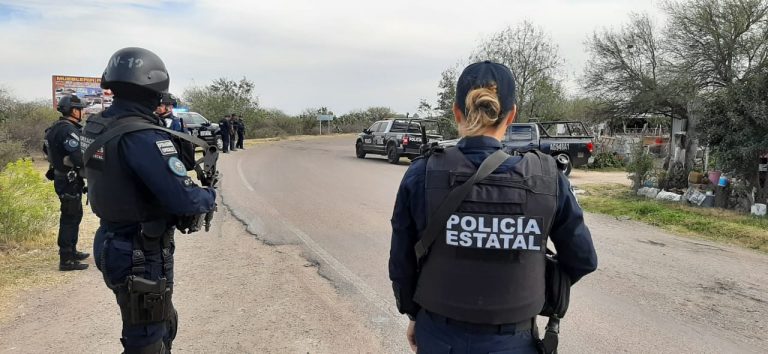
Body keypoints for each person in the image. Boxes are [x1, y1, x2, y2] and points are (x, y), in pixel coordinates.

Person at [388, 61, 598, 353]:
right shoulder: (548, 177)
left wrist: (414, 315)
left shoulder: (421, 174)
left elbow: (401, 264)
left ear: (456, 111)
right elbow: (583, 259)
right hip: (515, 341)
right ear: (511, 115)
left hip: (438, 336)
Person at [81, 47, 217, 353]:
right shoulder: (144, 137)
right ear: (156, 86)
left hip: (111, 239)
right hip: (139, 252)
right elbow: (185, 199)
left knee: (158, 323)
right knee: (148, 340)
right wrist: (209, 195)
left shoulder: (96, 125)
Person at [43, 94, 89, 271]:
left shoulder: (54, 128)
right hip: (68, 180)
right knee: (70, 217)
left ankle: (72, 250)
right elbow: (78, 157)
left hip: (62, 177)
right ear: (74, 110)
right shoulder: (67, 130)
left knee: (74, 215)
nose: (83, 112)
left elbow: (45, 150)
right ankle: (66, 258)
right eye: (81, 109)